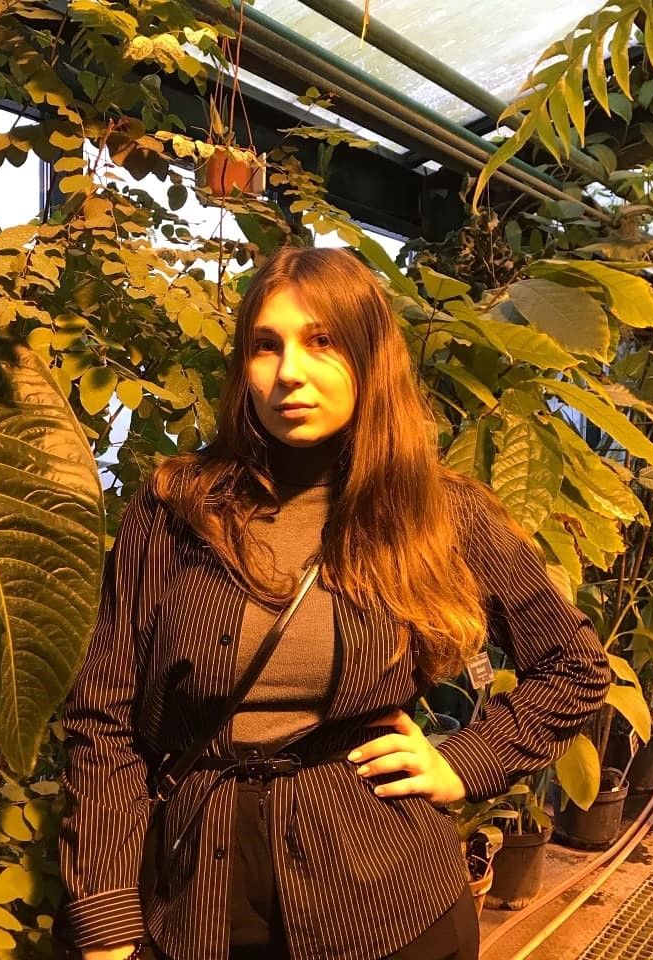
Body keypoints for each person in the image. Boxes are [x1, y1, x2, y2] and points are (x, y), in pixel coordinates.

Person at [59, 246, 611, 960]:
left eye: (321, 341)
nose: (289, 371)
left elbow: (573, 665)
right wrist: (104, 916)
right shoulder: (177, 508)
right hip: (196, 894)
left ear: (369, 357)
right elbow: (103, 717)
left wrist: (466, 760)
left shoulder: (437, 512)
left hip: (385, 897)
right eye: (266, 345)